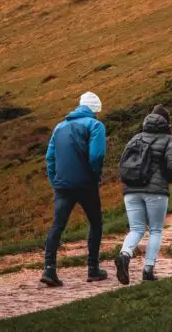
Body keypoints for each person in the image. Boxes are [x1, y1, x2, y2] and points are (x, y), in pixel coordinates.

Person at [42, 92, 107, 287]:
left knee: (57, 225)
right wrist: (94, 174)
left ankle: (49, 269)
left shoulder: (59, 127)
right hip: (85, 183)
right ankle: (93, 269)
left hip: (62, 185)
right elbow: (97, 155)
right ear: (95, 110)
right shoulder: (95, 125)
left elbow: (49, 158)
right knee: (95, 222)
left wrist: (55, 181)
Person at [114, 105, 172, 284]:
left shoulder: (136, 138)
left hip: (131, 190)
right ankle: (148, 270)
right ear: (166, 122)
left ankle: (125, 254)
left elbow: (124, 161)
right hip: (156, 192)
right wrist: (166, 180)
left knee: (136, 228)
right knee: (155, 230)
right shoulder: (169, 139)